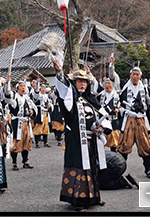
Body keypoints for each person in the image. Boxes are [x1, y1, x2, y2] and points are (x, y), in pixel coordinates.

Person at [53, 59, 112, 212]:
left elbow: (103, 114)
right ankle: (77, 200)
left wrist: (101, 127)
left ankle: (92, 197)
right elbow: (63, 91)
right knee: (79, 168)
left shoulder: (91, 99)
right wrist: (59, 72)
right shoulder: (70, 100)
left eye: (84, 81)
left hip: (91, 141)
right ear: (75, 82)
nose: (82, 84)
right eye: (79, 81)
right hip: (76, 141)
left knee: (92, 168)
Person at [116, 66, 150, 179]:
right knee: (124, 146)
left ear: (140, 76)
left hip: (140, 120)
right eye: (133, 74)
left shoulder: (144, 88)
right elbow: (113, 77)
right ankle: (120, 171)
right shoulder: (124, 85)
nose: (135, 76)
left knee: (145, 145)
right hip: (128, 119)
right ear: (130, 75)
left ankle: (148, 170)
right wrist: (111, 66)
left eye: (137, 74)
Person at [4, 77, 37, 170]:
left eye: (24, 86)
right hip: (17, 123)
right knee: (16, 142)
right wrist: (8, 85)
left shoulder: (27, 98)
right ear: (17, 88)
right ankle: (14, 163)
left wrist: (32, 112)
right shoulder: (15, 98)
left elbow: (34, 107)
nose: (23, 88)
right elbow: (9, 100)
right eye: (21, 86)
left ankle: (25, 161)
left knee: (26, 142)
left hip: (26, 123)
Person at [97, 78, 121, 152]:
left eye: (109, 83)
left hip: (113, 119)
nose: (107, 85)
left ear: (112, 85)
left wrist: (118, 109)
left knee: (114, 143)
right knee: (101, 141)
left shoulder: (116, 95)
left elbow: (120, 105)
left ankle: (114, 155)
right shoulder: (100, 95)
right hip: (103, 120)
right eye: (106, 83)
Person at [32, 81, 54, 148]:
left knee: (46, 129)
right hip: (39, 112)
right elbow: (35, 95)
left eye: (44, 88)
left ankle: (46, 142)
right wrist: (37, 85)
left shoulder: (47, 96)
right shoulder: (38, 95)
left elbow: (51, 103)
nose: (43, 89)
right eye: (42, 88)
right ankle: (37, 142)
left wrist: (49, 106)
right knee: (38, 128)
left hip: (46, 113)